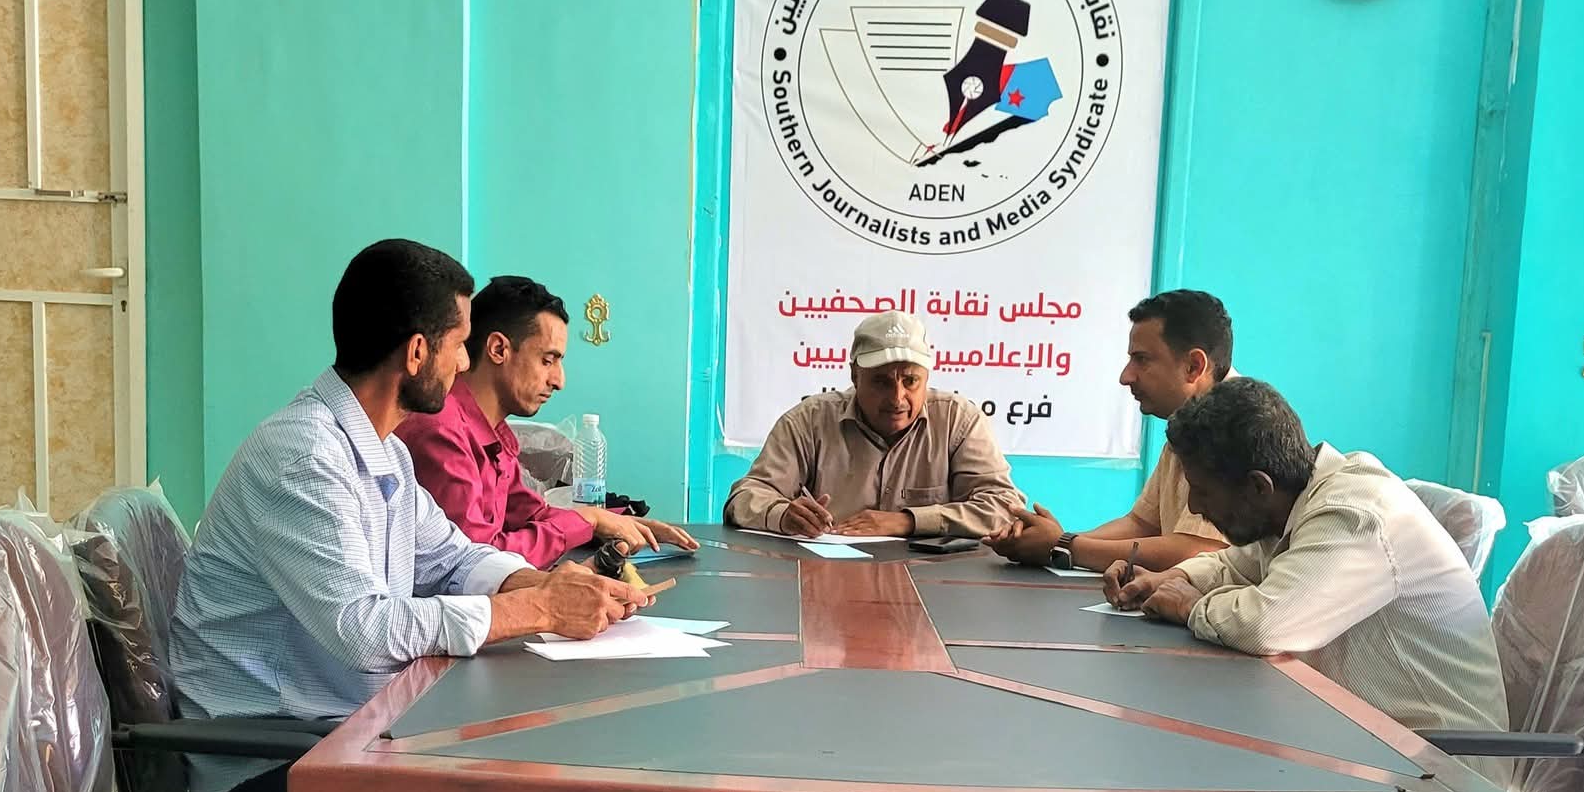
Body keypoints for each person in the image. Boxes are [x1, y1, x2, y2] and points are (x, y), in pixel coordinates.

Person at [172, 239, 655, 792]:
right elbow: (363, 628)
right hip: (273, 763)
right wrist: (534, 610)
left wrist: (547, 582)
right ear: (419, 351)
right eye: (462, 344)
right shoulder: (304, 457)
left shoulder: (382, 453)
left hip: (340, 730)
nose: (466, 365)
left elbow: (453, 556)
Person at [1107, 377, 1508, 792]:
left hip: (1438, 764)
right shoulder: (1300, 500)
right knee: (1191, 788)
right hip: (1361, 731)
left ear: (1257, 486)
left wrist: (1190, 606)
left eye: (1203, 493)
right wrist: (1176, 578)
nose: (1196, 511)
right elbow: (1239, 565)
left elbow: (1267, 621)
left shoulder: (1354, 514)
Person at [395, 275, 697, 568]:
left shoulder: (492, 432)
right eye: (547, 360)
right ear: (499, 349)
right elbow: (477, 562)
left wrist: (614, 522)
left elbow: (529, 514)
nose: (559, 381)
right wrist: (588, 520)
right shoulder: (441, 431)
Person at [986, 289, 1233, 571]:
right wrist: (1049, 541)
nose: (1125, 376)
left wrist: (1062, 545)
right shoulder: (1189, 417)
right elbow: (1142, 524)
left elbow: (1198, 552)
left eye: (1142, 359)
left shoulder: (1236, 426)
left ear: (1193, 366)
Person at [724, 310, 1025, 538]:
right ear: (855, 376)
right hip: (828, 580)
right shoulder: (809, 421)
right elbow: (744, 498)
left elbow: (1005, 507)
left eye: (910, 380)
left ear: (927, 378)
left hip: (934, 585)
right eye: (881, 382)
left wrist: (908, 521)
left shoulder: (958, 421)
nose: (897, 398)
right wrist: (782, 515)